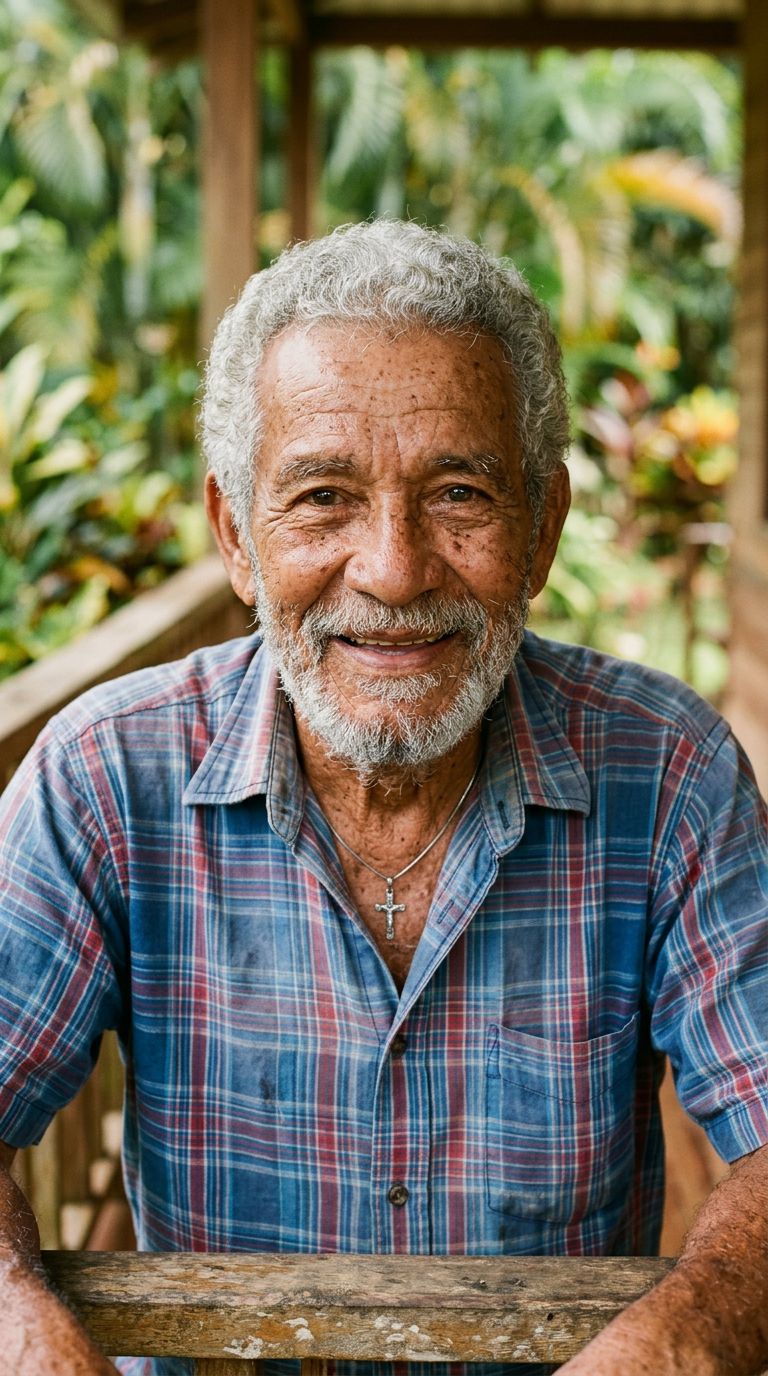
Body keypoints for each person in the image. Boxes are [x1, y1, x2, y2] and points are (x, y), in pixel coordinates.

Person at [0, 220, 766, 1376]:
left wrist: (692, 1330)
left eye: (460, 491)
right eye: (323, 497)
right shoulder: (106, 778)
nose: (396, 568)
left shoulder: (668, 775)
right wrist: (18, 1319)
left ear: (543, 526)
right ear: (236, 537)